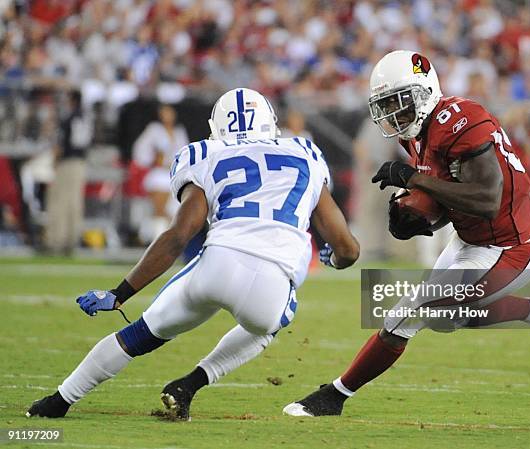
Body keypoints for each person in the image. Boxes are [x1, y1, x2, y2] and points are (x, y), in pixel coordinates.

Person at [26, 88, 359, 420]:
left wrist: (120, 293)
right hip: (271, 286)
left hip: (218, 264)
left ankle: (60, 400)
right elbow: (347, 248)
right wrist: (334, 258)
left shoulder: (205, 153)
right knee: (271, 323)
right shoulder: (303, 152)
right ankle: (190, 383)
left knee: (139, 335)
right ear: (271, 123)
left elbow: (178, 235)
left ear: (217, 127)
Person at [283, 50, 530, 417]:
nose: (393, 112)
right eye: (385, 104)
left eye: (398, 102)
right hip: (470, 240)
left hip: (509, 248)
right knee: (448, 319)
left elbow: (487, 199)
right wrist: (418, 221)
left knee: (407, 315)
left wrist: (411, 179)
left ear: (423, 92)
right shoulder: (418, 133)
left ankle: (335, 396)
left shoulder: (462, 121)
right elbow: (449, 199)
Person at [44, 90, 92, 255]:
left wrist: (54, 162)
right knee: (74, 202)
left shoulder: (69, 118)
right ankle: (72, 240)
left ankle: (56, 241)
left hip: (66, 163)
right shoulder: (85, 118)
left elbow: (60, 144)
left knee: (59, 202)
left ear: (72, 100)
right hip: (80, 163)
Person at [133, 104, 189, 242]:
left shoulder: (179, 132)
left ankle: (167, 239)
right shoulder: (154, 130)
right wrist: (153, 160)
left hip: (175, 175)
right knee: (159, 209)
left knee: (174, 211)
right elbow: (140, 150)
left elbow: (186, 152)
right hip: (159, 174)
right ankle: (157, 240)